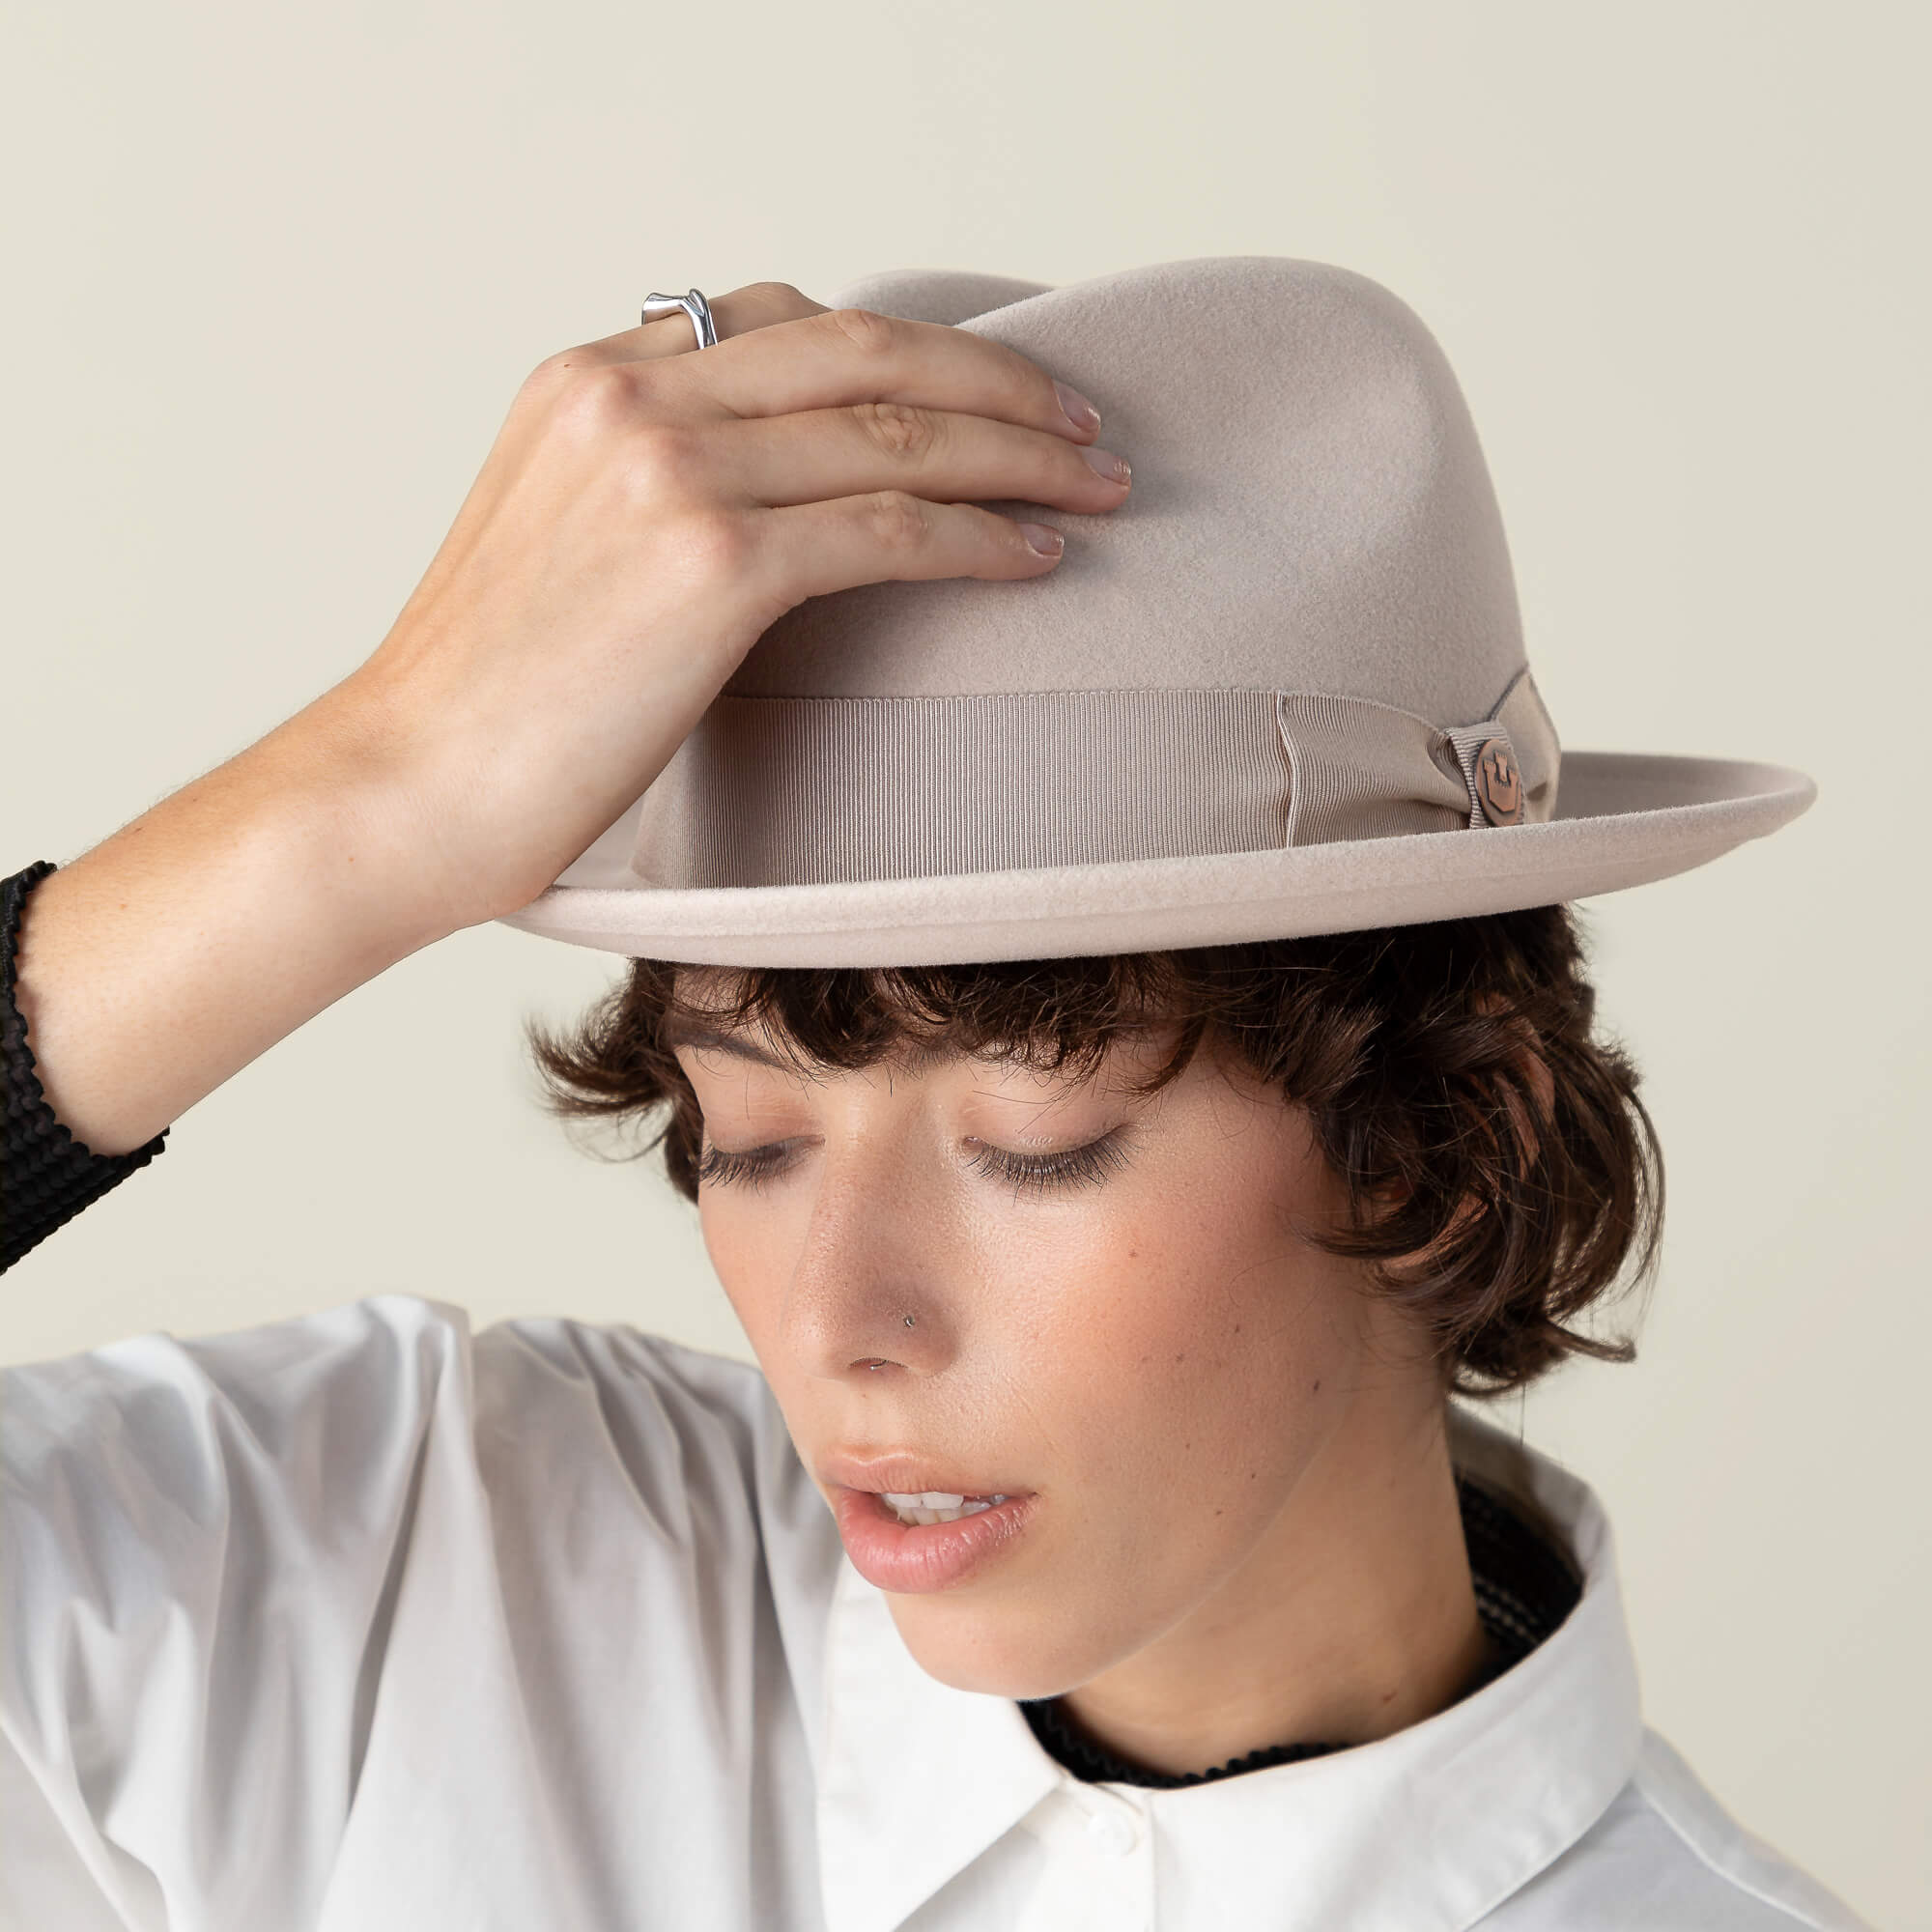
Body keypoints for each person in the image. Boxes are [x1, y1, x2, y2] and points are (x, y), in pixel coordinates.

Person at [0, 262, 1866, 1929]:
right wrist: (359, 799)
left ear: (1444, 1150)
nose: (839, 1325)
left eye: (1030, 1146)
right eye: (752, 1141)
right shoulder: (406, 1580)